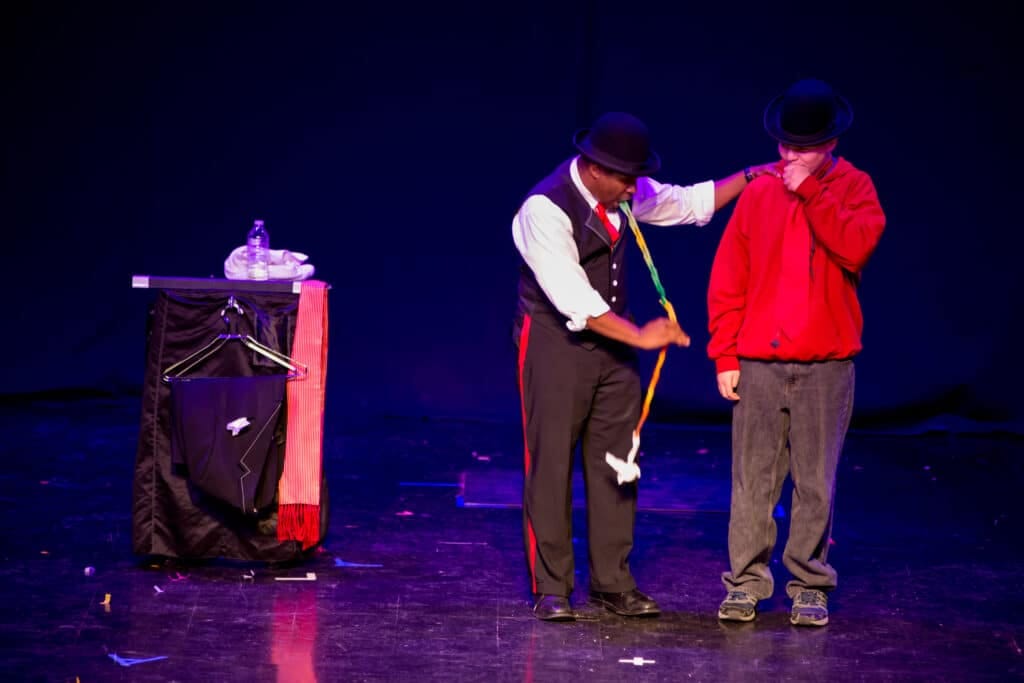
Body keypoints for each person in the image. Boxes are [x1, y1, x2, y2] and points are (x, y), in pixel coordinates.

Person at [512, 111, 776, 621]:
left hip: (614, 346)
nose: (634, 189)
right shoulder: (543, 209)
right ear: (591, 167)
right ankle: (553, 587)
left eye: (636, 178)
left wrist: (750, 176)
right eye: (623, 179)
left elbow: (688, 202)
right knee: (551, 465)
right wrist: (640, 335)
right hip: (554, 342)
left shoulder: (626, 190)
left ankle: (612, 582)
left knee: (619, 461)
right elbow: (574, 298)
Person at [707, 78, 886, 626]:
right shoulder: (760, 191)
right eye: (785, 146)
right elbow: (729, 277)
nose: (789, 157)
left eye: (802, 148)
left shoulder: (855, 188)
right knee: (753, 478)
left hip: (826, 366)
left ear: (830, 144)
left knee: (815, 480)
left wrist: (810, 189)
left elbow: (855, 246)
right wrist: (726, 355)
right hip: (760, 361)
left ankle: (809, 582)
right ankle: (745, 581)